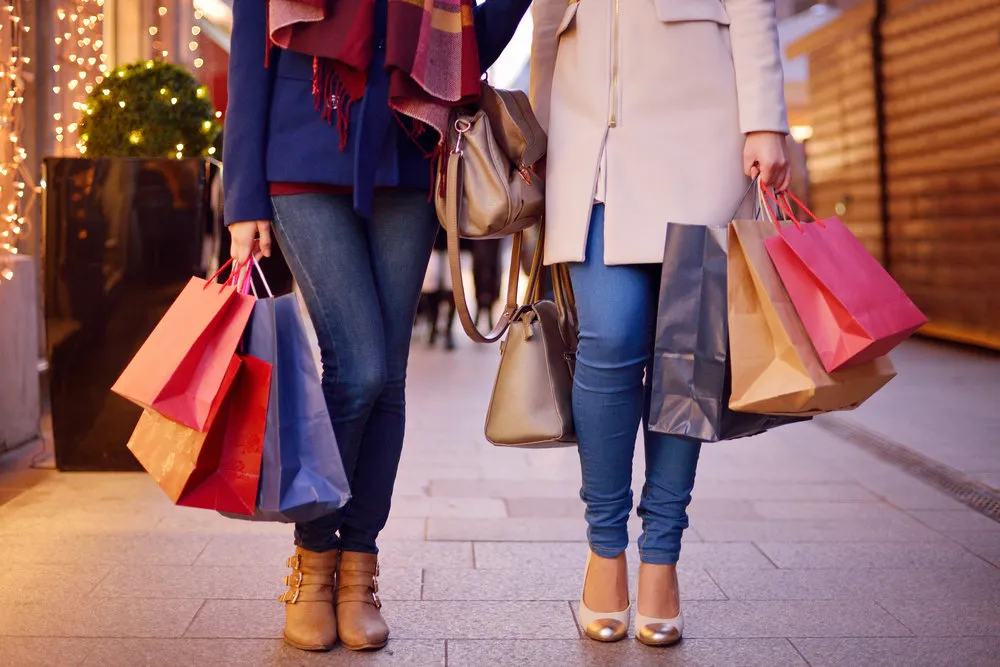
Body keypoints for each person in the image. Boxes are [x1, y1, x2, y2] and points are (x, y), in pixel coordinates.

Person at [224, 0, 531, 653]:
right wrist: (241, 197)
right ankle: (313, 564)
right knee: (357, 366)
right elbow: (251, 44)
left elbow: (474, 41)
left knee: (387, 376)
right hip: (303, 147)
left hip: (411, 154)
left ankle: (358, 570)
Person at [530, 0, 791, 647]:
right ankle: (605, 547)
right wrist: (532, 133)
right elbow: (542, 18)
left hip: (700, 133)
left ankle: (662, 555)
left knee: (688, 352)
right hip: (587, 141)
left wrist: (765, 122)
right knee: (609, 336)